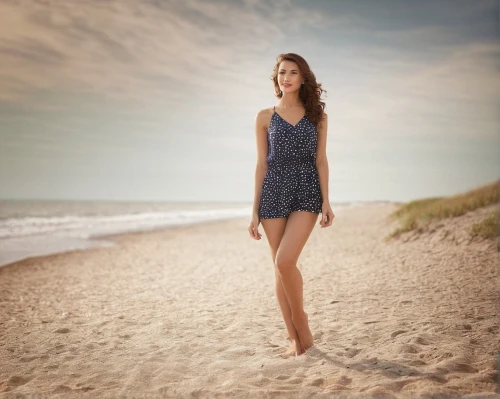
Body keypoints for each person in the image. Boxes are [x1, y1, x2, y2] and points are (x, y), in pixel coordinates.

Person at [248, 53, 335, 357]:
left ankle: (302, 320)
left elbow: (321, 160)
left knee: (285, 261)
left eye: (293, 72)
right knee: (279, 270)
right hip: (272, 192)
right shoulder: (264, 116)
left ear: (302, 78)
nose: (286, 77)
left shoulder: (317, 116)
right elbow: (261, 164)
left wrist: (326, 200)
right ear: (277, 78)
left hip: (307, 191)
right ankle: (293, 339)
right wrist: (254, 210)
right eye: (282, 72)